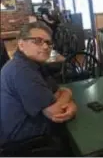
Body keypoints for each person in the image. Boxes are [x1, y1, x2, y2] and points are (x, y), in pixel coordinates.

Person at [0, 21, 77, 151]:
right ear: (21, 44)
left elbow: (57, 91)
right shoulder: (21, 70)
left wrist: (69, 103)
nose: (46, 47)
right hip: (25, 144)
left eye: (48, 42)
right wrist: (68, 94)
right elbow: (56, 112)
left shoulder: (35, 65)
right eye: (37, 41)